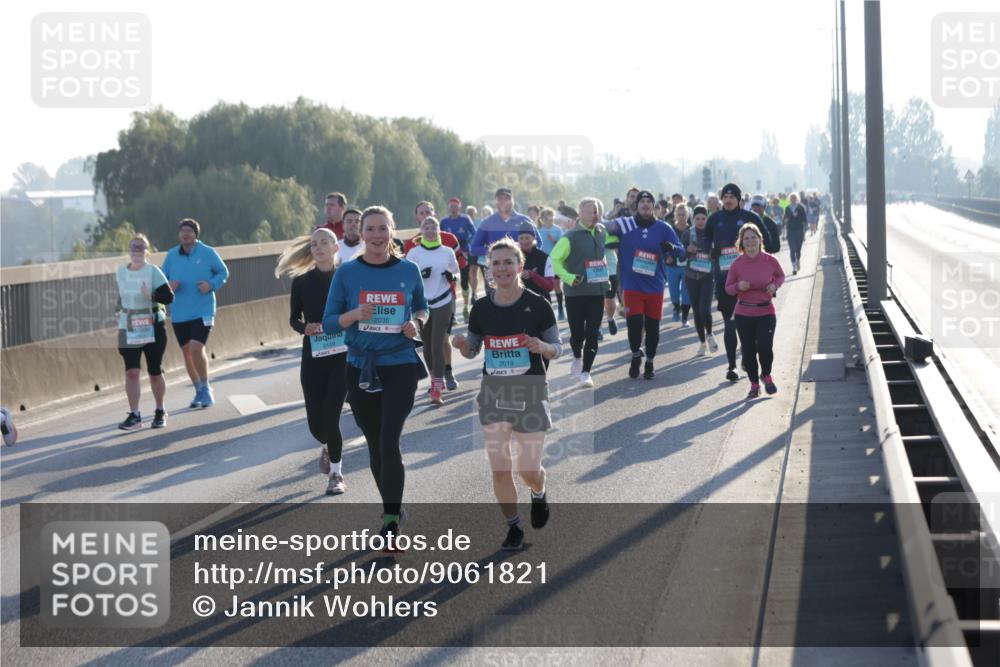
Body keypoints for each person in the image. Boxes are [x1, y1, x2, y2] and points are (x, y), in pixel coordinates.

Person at [322, 205, 428, 543]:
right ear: (361, 233)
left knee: (388, 439)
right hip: (360, 367)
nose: (377, 235)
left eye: (383, 228)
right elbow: (327, 321)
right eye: (371, 229)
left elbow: (422, 307)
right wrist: (352, 314)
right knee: (374, 447)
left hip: (399, 365)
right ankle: (393, 504)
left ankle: (391, 521)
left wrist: (417, 323)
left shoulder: (409, 270)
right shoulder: (347, 273)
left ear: (392, 231)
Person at [451, 237, 559, 550]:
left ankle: (538, 491)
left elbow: (558, 347)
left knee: (528, 470)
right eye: (495, 263)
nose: (502, 268)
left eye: (508, 262)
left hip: (530, 391)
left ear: (519, 267)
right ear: (489, 269)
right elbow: (473, 349)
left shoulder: (538, 304)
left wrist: (542, 347)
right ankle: (513, 527)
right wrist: (462, 346)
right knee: (500, 467)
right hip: (495, 393)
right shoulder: (481, 308)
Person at [278, 228, 350, 495]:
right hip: (313, 355)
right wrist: (303, 328)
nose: (319, 247)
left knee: (331, 417)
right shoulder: (302, 282)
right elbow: (293, 318)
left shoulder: (345, 278)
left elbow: (356, 311)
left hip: (341, 356)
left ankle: (336, 474)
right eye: (315, 244)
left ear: (335, 248)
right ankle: (328, 444)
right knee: (316, 424)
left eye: (325, 243)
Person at [605, 190, 685, 380]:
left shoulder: (663, 228)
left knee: (653, 326)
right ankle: (635, 355)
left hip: (655, 285)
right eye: (642, 201)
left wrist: (672, 248)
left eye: (650, 201)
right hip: (631, 285)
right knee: (634, 325)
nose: (646, 204)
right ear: (636, 205)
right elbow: (603, 227)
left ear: (654, 206)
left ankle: (649, 361)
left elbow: (681, 252)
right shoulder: (626, 224)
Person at [162, 218, 229, 408]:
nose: (185, 234)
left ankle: (206, 388)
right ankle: (198, 389)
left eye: (189, 231)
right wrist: (169, 287)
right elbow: (161, 281)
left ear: (196, 234)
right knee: (187, 353)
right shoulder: (172, 255)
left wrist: (211, 285)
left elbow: (223, 272)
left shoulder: (207, 253)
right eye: (182, 231)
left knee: (196, 348)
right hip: (180, 312)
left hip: (203, 309)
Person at [704, 183, 763, 383]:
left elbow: (767, 240)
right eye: (725, 196)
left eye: (732, 196)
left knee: (750, 325)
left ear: (738, 199)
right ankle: (731, 367)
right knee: (730, 323)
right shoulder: (714, 220)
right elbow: (705, 242)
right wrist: (710, 252)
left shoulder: (750, 218)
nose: (728, 200)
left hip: (751, 281)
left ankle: (748, 356)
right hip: (725, 280)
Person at [405, 201, 466, 391]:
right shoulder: (412, 247)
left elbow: (460, 266)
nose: (426, 218)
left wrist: (452, 276)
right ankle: (435, 378)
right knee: (428, 343)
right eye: (421, 214)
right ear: (418, 220)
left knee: (441, 340)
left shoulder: (449, 241)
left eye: (428, 213)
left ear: (436, 216)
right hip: (422, 302)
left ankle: (446, 374)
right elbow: (406, 276)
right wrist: (419, 277)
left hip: (446, 298)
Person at [115, 233, 174, 431]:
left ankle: (160, 410)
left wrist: (151, 296)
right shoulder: (121, 272)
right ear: (129, 251)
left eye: (141, 247)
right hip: (128, 327)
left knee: (154, 372)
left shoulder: (153, 271)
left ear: (147, 251)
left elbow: (168, 297)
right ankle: (135, 415)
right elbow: (121, 296)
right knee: (131, 372)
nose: (137, 250)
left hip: (152, 326)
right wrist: (117, 311)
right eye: (134, 247)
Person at [550, 197, 609, 386]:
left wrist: (607, 277)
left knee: (593, 333)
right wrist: (568, 278)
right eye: (591, 211)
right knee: (577, 334)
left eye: (598, 211)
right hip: (575, 293)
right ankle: (576, 356)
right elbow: (555, 260)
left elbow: (601, 257)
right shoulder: (570, 237)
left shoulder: (601, 232)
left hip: (597, 292)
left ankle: (586, 372)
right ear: (581, 213)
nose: (595, 214)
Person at [725, 224, 785, 399]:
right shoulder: (737, 264)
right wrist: (738, 286)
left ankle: (766, 375)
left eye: (753, 237)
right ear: (741, 243)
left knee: (765, 347)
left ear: (760, 239)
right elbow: (728, 288)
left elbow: (780, 276)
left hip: (765, 311)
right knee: (749, 350)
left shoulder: (770, 260)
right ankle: (754, 384)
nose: (750, 241)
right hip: (744, 313)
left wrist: (775, 285)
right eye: (746, 238)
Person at [470, 188, 541, 293]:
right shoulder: (487, 223)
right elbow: (474, 249)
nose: (503, 201)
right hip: (496, 273)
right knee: (495, 307)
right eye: (500, 199)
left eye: (507, 198)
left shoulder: (525, 220)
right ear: (496, 202)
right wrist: (497, 250)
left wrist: (521, 249)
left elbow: (538, 243)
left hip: (521, 272)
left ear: (513, 200)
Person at [683, 205, 718, 356]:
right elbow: (680, 255)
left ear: (707, 218)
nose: (700, 221)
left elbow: (719, 253)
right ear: (693, 219)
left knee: (705, 309)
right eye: (697, 218)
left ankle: (709, 333)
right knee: (696, 311)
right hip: (691, 276)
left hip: (707, 276)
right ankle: (702, 343)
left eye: (703, 218)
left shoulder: (713, 233)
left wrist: (713, 255)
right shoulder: (687, 234)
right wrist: (687, 250)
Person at [440, 197, 477, 322]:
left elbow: (475, 233)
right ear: (449, 208)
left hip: (464, 253)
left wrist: (469, 244)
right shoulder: (444, 221)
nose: (453, 210)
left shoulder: (465, 219)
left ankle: (466, 308)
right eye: (451, 207)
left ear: (459, 207)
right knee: (451, 282)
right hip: (449, 255)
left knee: (464, 282)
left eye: (455, 207)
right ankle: (452, 313)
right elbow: (438, 236)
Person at [665, 202, 692, 326]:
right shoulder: (670, 229)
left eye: (684, 214)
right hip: (672, 266)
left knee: (686, 292)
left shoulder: (691, 229)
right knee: (674, 292)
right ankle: (676, 308)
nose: (681, 217)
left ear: (687, 215)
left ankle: (685, 318)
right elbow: (663, 246)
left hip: (687, 266)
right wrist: (667, 257)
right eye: (679, 215)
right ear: (675, 215)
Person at [536, 207, 565, 319]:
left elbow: (563, 245)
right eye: (548, 217)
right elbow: (537, 246)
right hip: (543, 262)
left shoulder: (558, 230)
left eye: (552, 216)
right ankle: (549, 310)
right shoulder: (539, 231)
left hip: (555, 261)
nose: (551, 219)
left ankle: (561, 308)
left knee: (557, 286)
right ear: (542, 219)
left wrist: (555, 240)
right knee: (544, 286)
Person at [517, 222, 556, 299]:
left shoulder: (544, 257)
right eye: (521, 238)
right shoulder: (514, 257)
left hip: (541, 301)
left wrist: (533, 275)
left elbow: (550, 286)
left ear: (534, 238)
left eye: (527, 237)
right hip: (519, 302)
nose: (524, 241)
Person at [783, 192, 808, 275]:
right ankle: (794, 267)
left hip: (799, 230)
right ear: (790, 199)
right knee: (792, 249)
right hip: (790, 231)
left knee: (798, 249)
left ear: (797, 198)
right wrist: (788, 218)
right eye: (791, 198)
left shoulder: (800, 207)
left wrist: (797, 216)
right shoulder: (787, 208)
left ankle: (798, 260)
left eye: (794, 198)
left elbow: (804, 220)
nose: (793, 199)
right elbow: (785, 219)